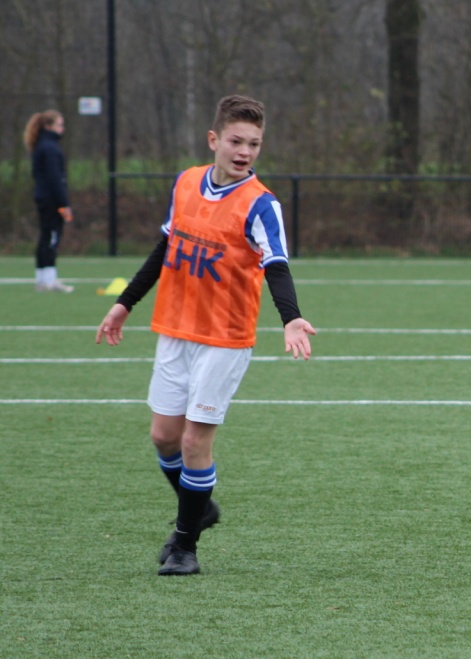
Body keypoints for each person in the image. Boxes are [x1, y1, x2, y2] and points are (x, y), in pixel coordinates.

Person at [95, 95, 316, 576]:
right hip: (175, 328)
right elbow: (165, 247)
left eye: (254, 144)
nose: (245, 151)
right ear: (214, 139)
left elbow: (276, 265)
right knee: (163, 437)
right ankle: (199, 507)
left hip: (225, 337)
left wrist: (291, 318)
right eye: (236, 141)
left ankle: (185, 546)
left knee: (195, 442)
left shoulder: (262, 204)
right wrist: (124, 303)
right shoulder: (186, 182)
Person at [25, 110, 75, 293]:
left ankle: (42, 279)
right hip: (52, 199)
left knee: (45, 236)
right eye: (59, 125)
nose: (63, 128)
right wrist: (64, 203)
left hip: (43, 197)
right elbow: (56, 179)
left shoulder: (41, 145)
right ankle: (49, 281)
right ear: (49, 126)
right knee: (51, 237)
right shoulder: (50, 148)